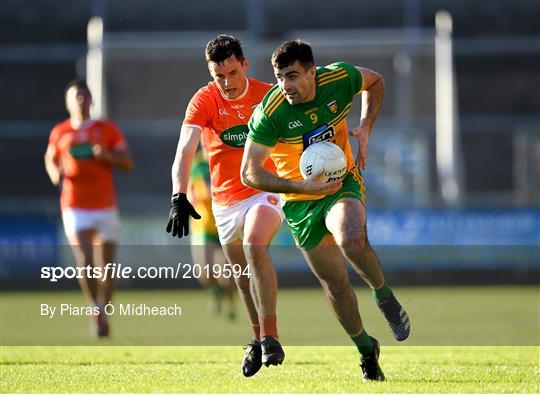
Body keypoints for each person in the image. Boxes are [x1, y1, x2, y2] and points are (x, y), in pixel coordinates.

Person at [241, 40, 411, 382]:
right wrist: (302, 187)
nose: (285, 85)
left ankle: (383, 294)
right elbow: (250, 172)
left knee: (351, 238)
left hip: (341, 182)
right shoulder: (271, 112)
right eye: (279, 77)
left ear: (312, 73)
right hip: (299, 201)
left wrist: (365, 128)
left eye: (292, 76)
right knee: (335, 284)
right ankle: (366, 349)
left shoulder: (339, 79)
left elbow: (375, 81)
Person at [166, 35, 285, 377]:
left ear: (245, 64)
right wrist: (179, 196)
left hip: (264, 189)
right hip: (224, 202)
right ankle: (256, 338)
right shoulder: (204, 99)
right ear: (210, 72)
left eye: (233, 73)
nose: (228, 83)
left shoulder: (267, 95)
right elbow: (185, 149)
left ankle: (272, 335)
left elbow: (299, 125)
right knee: (240, 276)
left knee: (255, 245)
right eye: (220, 76)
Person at [44, 79, 134, 338]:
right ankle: (95, 309)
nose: (81, 100)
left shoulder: (107, 129)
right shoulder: (60, 132)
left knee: (106, 266)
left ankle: (104, 312)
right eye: (76, 96)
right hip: (75, 205)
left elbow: (128, 162)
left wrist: (107, 156)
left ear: (91, 100)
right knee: (84, 262)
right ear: (68, 102)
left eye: (85, 95)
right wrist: (54, 172)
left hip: (105, 205)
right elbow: (50, 158)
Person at [188, 145, 236, 320]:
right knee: (204, 270)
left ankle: (231, 304)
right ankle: (215, 293)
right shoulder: (197, 163)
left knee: (228, 274)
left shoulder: (227, 157)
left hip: (225, 222)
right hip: (203, 223)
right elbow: (190, 190)